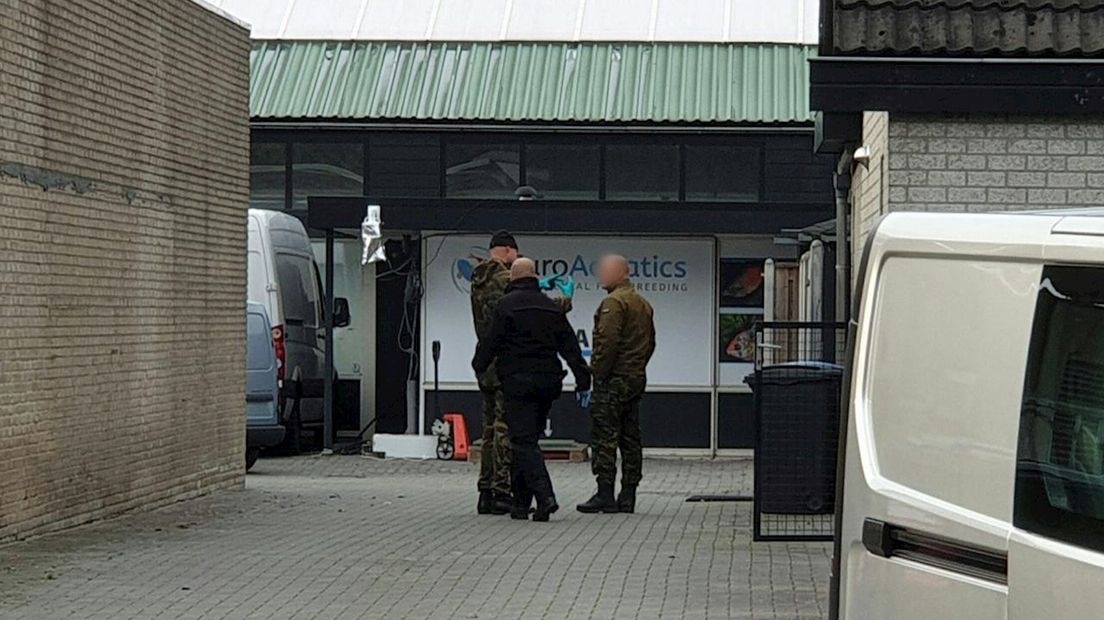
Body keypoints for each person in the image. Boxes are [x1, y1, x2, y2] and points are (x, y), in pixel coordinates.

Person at [472, 258, 592, 522]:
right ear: (536, 278)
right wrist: (583, 379)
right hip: (549, 383)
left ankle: (545, 496)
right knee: (526, 440)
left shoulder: (506, 306)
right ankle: (521, 504)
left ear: (512, 279)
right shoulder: (551, 307)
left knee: (522, 441)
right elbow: (570, 346)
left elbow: (490, 342)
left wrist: (479, 366)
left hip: (517, 383)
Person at [577, 255, 656, 515]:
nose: (601, 275)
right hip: (634, 378)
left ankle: (604, 494)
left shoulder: (614, 302)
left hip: (613, 380)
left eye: (606, 270)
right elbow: (650, 343)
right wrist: (637, 366)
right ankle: (629, 494)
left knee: (605, 436)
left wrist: (597, 374)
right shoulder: (643, 304)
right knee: (631, 436)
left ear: (623, 273)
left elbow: (607, 344)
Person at [470, 231, 519, 515]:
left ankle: (485, 490)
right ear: (508, 251)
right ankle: (502, 489)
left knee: (488, 428)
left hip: (485, 362)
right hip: (503, 364)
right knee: (504, 426)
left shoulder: (478, 279)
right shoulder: (503, 279)